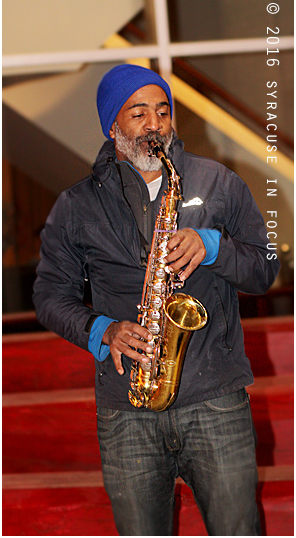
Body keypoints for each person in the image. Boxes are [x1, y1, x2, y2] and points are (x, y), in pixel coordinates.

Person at [33, 64, 280, 536]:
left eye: (163, 112)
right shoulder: (76, 205)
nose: (154, 125)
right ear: (113, 125)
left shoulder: (219, 182)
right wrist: (101, 330)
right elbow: (49, 294)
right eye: (138, 113)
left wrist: (214, 247)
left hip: (216, 401)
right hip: (127, 411)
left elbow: (265, 268)